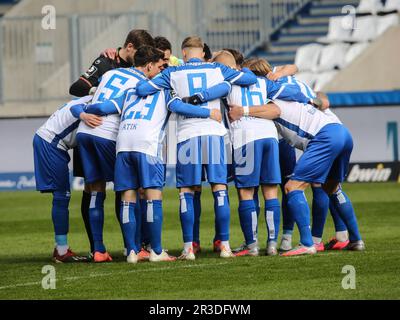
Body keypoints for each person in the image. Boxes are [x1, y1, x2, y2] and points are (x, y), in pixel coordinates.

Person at [79, 49, 223, 263]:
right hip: (147, 144)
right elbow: (180, 107)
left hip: (124, 144)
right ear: (150, 66)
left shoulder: (129, 92)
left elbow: (104, 106)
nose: (162, 69)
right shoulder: (164, 89)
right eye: (160, 66)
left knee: (127, 196)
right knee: (152, 195)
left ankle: (131, 252)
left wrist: (83, 110)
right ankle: (156, 251)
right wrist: (208, 112)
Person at [135, 36, 259, 260]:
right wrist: (222, 86)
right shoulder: (218, 68)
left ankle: (188, 248)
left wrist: (173, 93)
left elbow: (143, 89)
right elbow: (250, 78)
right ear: (202, 52)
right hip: (213, 133)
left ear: (183, 53)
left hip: (187, 136)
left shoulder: (172, 72)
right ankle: (225, 247)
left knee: (187, 193)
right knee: (219, 189)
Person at [228, 98, 365, 256]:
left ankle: (307, 243)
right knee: (331, 187)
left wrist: (242, 111)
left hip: (324, 137)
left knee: (292, 187)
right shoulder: (296, 95)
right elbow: (323, 100)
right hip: (342, 132)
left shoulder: (274, 101)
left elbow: (275, 110)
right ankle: (356, 240)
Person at [69, 29, 154, 258]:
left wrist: (85, 109)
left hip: (85, 132)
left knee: (95, 190)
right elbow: (83, 92)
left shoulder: (108, 74)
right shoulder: (139, 82)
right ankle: (133, 248)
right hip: (107, 133)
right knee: (126, 188)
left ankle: (98, 250)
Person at [32, 96, 102, 262]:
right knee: (61, 197)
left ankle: (61, 248)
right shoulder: (96, 101)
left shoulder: (89, 97)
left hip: (50, 141)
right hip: (52, 143)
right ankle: (61, 251)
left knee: (61, 197)